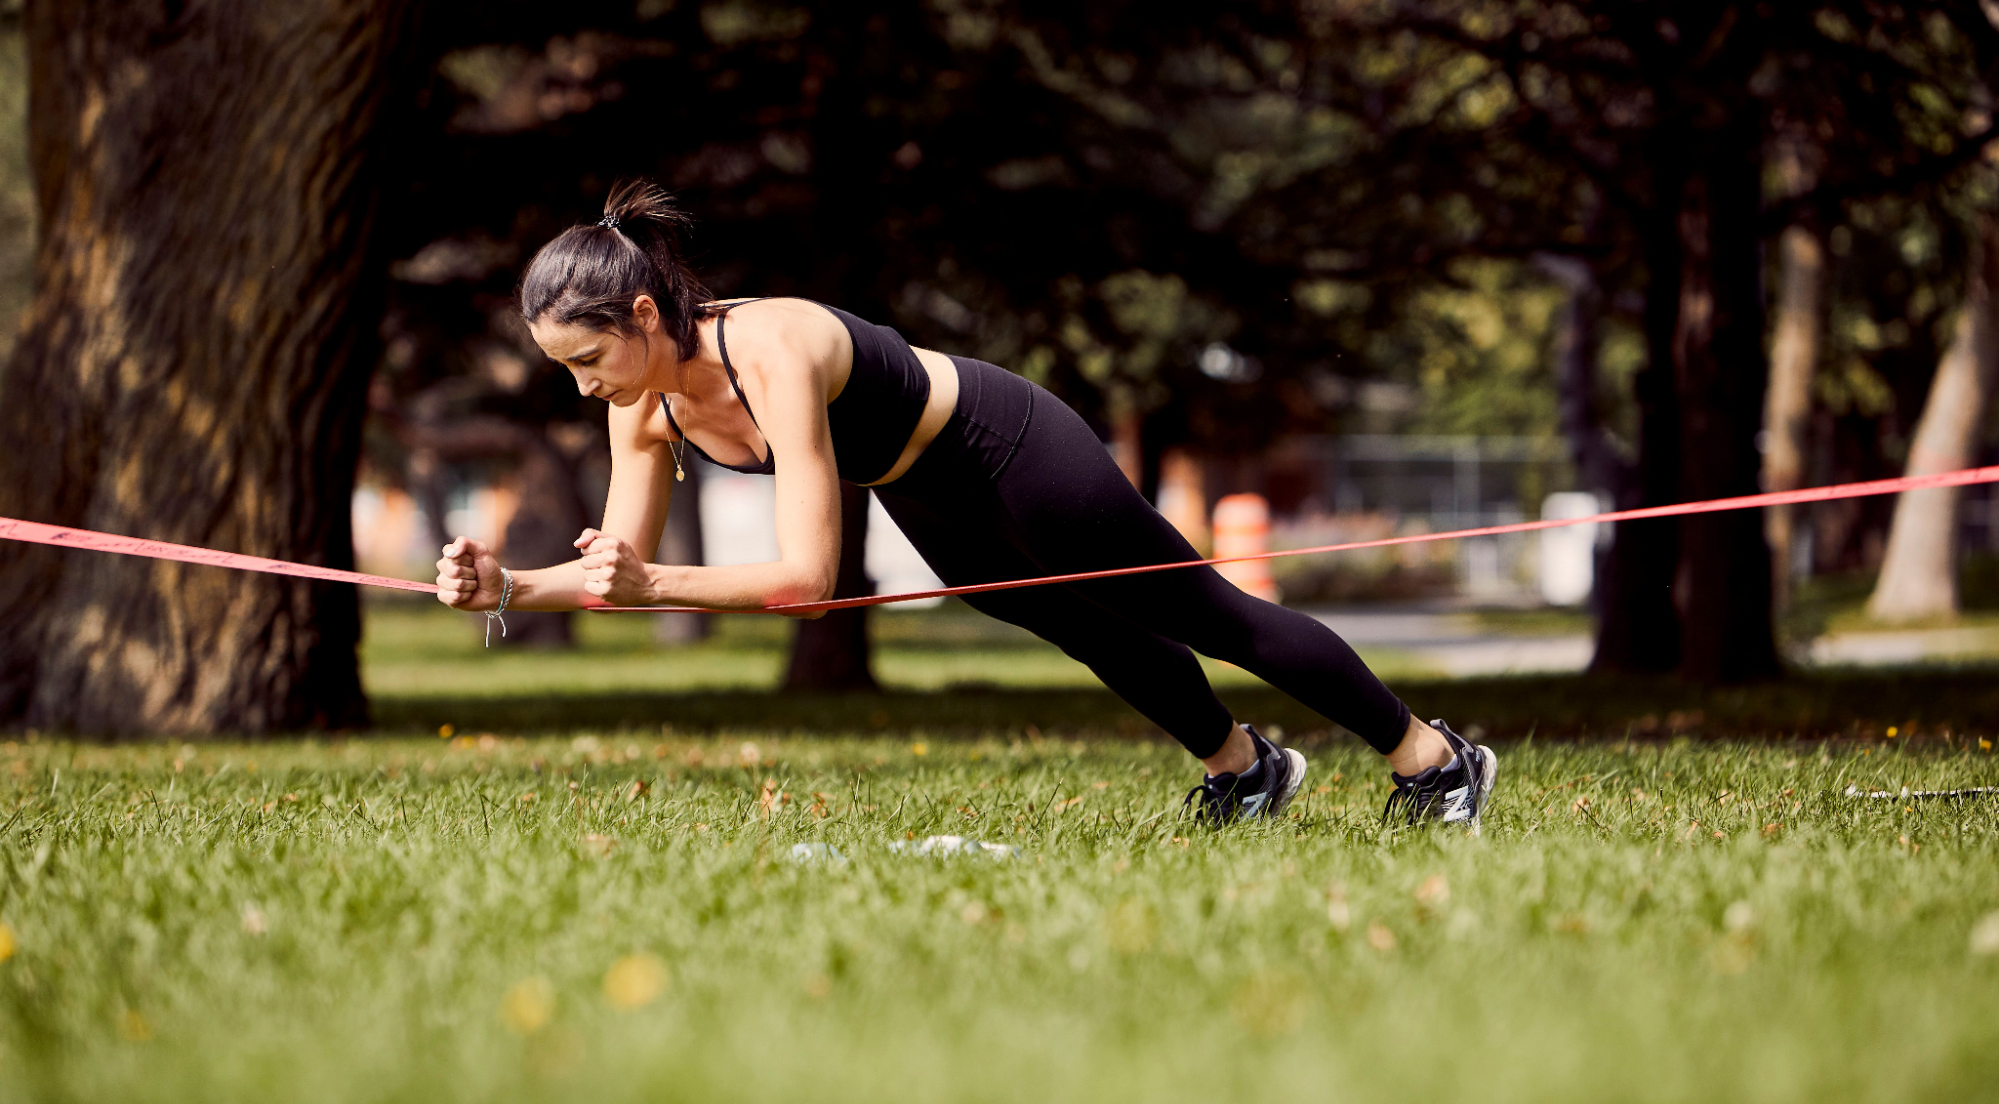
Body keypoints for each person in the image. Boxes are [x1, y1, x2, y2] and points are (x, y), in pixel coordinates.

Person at [435, 182, 1498, 830]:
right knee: (1086, 630)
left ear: (639, 310)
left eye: (588, 359)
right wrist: (512, 586)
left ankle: (1435, 760)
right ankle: (1245, 769)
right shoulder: (645, 403)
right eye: (563, 372)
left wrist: (647, 579)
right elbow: (623, 558)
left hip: (1003, 444)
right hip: (920, 490)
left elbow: (805, 582)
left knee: (1205, 613)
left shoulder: (773, 344)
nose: (584, 387)